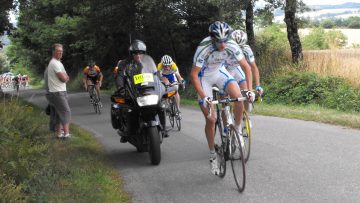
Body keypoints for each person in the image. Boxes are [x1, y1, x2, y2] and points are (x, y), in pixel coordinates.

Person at [190, 21, 254, 176]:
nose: (223, 45)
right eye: (219, 42)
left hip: (219, 72)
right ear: (213, 39)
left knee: (239, 97)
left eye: (225, 41)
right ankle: (212, 154)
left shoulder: (231, 44)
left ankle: (237, 129)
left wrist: (250, 90)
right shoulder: (203, 47)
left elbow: (246, 67)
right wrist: (205, 97)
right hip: (203, 77)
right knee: (211, 119)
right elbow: (193, 74)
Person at [114, 39, 168, 142]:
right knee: (128, 108)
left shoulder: (148, 63)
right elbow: (120, 76)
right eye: (135, 53)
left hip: (146, 90)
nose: (138, 55)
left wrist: (163, 82)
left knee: (161, 105)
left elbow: (156, 74)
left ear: (144, 53)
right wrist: (120, 87)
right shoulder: (124, 64)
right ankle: (126, 131)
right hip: (132, 90)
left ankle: (163, 129)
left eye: (141, 53)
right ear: (131, 53)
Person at [44, 43, 71, 139]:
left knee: (59, 113)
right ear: (53, 52)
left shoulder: (59, 63)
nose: (60, 53)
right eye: (58, 51)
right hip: (57, 92)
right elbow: (64, 78)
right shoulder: (54, 63)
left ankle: (59, 134)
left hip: (60, 91)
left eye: (61, 51)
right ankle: (66, 134)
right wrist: (66, 78)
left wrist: (65, 77)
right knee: (66, 112)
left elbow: (66, 77)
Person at [231, 30, 263, 96]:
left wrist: (258, 85)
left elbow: (254, 67)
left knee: (246, 89)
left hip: (235, 68)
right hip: (224, 67)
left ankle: (246, 104)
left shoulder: (246, 49)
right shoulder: (227, 47)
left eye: (240, 46)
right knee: (225, 93)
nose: (238, 49)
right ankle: (224, 105)